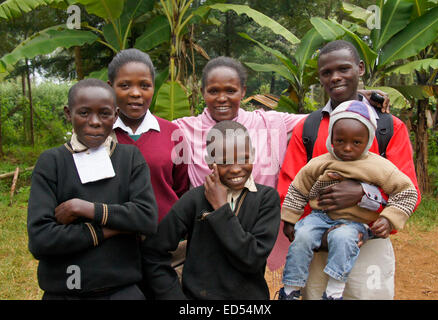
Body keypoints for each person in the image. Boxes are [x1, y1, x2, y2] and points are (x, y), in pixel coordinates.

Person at [172, 56, 387, 271]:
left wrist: (355, 99)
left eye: (230, 91)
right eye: (213, 91)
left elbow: (324, 117)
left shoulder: (270, 123)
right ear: (202, 92)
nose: (222, 98)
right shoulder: (182, 130)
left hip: (260, 240)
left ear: (243, 91)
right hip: (209, 240)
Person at [277, 40, 421, 299]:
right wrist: (311, 233)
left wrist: (363, 195)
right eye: (326, 73)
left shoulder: (389, 126)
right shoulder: (307, 127)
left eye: (344, 69)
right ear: (320, 78)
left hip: (367, 246)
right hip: (316, 247)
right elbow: (291, 184)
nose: (335, 78)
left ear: (361, 68)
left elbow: (407, 189)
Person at [27, 79, 158, 300]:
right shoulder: (52, 162)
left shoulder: (129, 158)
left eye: (104, 114)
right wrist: (114, 228)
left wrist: (84, 208)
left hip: (121, 290)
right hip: (64, 292)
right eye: (84, 113)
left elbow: (146, 219)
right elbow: (41, 240)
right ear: (69, 113)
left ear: (115, 116)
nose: (95, 122)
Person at [141, 121, 281, 299]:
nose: (236, 169)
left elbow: (252, 259)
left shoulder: (266, 198)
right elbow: (154, 252)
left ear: (253, 155)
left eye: (244, 158)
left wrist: (221, 208)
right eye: (224, 161)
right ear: (210, 162)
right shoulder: (194, 199)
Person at [108, 48, 189, 223]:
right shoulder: (100, 136)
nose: (136, 93)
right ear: (110, 87)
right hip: (113, 238)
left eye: (145, 86)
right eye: (125, 85)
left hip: (166, 238)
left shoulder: (173, 134)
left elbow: (181, 189)